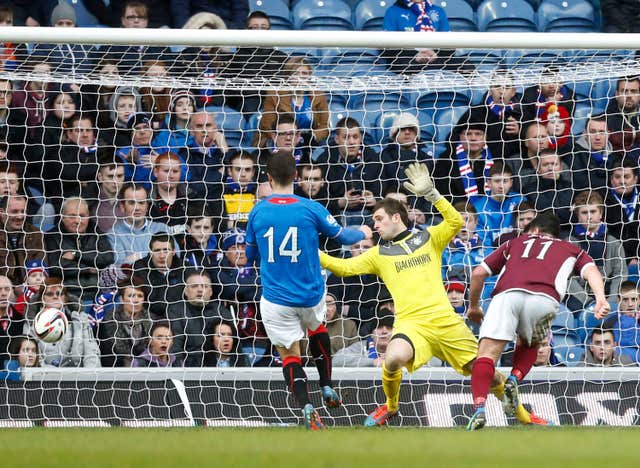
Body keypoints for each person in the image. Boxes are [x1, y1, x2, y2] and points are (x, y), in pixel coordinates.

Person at [320, 163, 546, 428]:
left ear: (396, 217)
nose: (375, 224)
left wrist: (432, 194)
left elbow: (454, 221)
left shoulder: (428, 237)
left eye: (379, 218)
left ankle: (523, 416)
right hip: (411, 325)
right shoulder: (378, 254)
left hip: (446, 323)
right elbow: (344, 268)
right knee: (392, 358)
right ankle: (390, 406)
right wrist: (313, 253)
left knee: (492, 377)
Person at [245, 153, 372, 430]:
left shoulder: (257, 211)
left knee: (290, 355)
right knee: (316, 328)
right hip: (311, 294)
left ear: (267, 178)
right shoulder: (310, 208)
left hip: (276, 298)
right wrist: (363, 230)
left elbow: (249, 256)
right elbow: (343, 237)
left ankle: (306, 406)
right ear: (296, 178)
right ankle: (326, 385)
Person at [466, 211, 610, 430]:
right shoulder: (571, 249)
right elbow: (592, 271)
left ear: (533, 230)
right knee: (530, 342)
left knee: (486, 355)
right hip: (544, 298)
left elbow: (478, 273)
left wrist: (474, 306)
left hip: (507, 295)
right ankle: (514, 378)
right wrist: (600, 299)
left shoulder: (515, 242)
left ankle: (479, 409)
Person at [566, 191, 626, 311]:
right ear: (577, 215)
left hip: (609, 297)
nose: (589, 216)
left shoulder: (613, 242)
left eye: (593, 211)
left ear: (601, 214)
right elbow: (567, 278)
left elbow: (620, 275)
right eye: (584, 212)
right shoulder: (569, 244)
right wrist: (587, 301)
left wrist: (612, 300)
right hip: (579, 300)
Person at [315, 117, 383, 225]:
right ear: (337, 139)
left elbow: (383, 192)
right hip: (337, 215)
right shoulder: (324, 161)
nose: (351, 142)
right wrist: (339, 203)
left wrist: (375, 201)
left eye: (355, 137)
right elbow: (318, 200)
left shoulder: (373, 159)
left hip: (368, 214)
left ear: (360, 139)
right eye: (346, 137)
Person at [44, 197, 114, 301]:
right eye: (72, 216)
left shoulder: (96, 232)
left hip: (98, 292)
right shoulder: (52, 236)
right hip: (69, 293)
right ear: (63, 217)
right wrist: (88, 269)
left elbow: (108, 258)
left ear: (88, 216)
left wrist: (75, 255)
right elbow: (55, 267)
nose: (77, 221)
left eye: (82, 216)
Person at [25, 277, 101, 368]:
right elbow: (35, 359)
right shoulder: (30, 325)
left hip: (78, 375)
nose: (55, 296)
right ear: (42, 299)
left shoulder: (81, 319)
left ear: (65, 299)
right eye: (50, 294)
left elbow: (91, 351)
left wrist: (90, 376)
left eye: (60, 293)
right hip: (46, 376)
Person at [257, 57, 329, 149]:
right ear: (288, 77)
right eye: (296, 73)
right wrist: (288, 140)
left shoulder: (318, 96)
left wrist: (312, 137)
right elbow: (268, 126)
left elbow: (324, 126)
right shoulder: (274, 95)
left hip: (308, 143)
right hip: (279, 142)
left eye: (304, 73)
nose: (301, 77)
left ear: (309, 77)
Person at [382, 0, 453, 74]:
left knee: (464, 65)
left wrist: (434, 54)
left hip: (435, 60)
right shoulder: (393, 11)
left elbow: (450, 45)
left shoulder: (438, 11)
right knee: (404, 64)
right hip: (407, 62)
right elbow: (387, 47)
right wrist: (415, 55)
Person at [107, 182, 171, 265]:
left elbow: (175, 256)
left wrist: (139, 256)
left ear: (147, 206)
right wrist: (157, 254)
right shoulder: (113, 235)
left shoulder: (162, 228)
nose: (137, 208)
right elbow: (121, 266)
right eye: (132, 203)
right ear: (122, 207)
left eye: (141, 203)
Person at [471, 161, 526, 248]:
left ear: (511, 182)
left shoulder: (519, 200)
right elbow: (484, 244)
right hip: (491, 254)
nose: (501, 186)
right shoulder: (478, 208)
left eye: (505, 181)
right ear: (488, 183)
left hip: (518, 250)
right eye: (497, 181)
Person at [98, 278, 152, 367]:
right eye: (131, 296)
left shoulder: (152, 321)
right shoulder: (108, 323)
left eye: (140, 296)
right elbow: (106, 357)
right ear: (122, 299)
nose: (136, 300)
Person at [132, 233, 183, 320]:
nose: (162, 256)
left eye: (166, 250)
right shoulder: (140, 268)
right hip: (147, 317)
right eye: (157, 250)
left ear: (174, 251)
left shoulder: (185, 268)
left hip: (178, 317)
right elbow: (151, 301)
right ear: (151, 252)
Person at [0, 194, 45, 286]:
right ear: (2, 212)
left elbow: (40, 270)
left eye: (23, 211)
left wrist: (26, 287)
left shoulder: (36, 234)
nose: (20, 217)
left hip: (30, 289)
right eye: (15, 212)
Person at [605, 159, 640, 264]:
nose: (622, 181)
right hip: (615, 261)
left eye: (626, 177)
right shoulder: (602, 200)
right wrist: (629, 259)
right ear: (611, 180)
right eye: (617, 177)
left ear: (635, 179)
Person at [568, 114, 614, 192]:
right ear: (584, 133)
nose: (597, 137)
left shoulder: (615, 156)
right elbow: (581, 183)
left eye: (602, 132)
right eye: (593, 132)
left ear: (608, 134)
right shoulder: (574, 154)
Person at [606, 76, 640, 151]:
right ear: (617, 94)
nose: (629, 95)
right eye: (624, 91)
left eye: (633, 91)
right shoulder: (606, 120)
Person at [0, 275, 24, 365]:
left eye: (7, 289)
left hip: (15, 375)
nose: (3, 293)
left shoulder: (21, 320)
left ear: (13, 292)